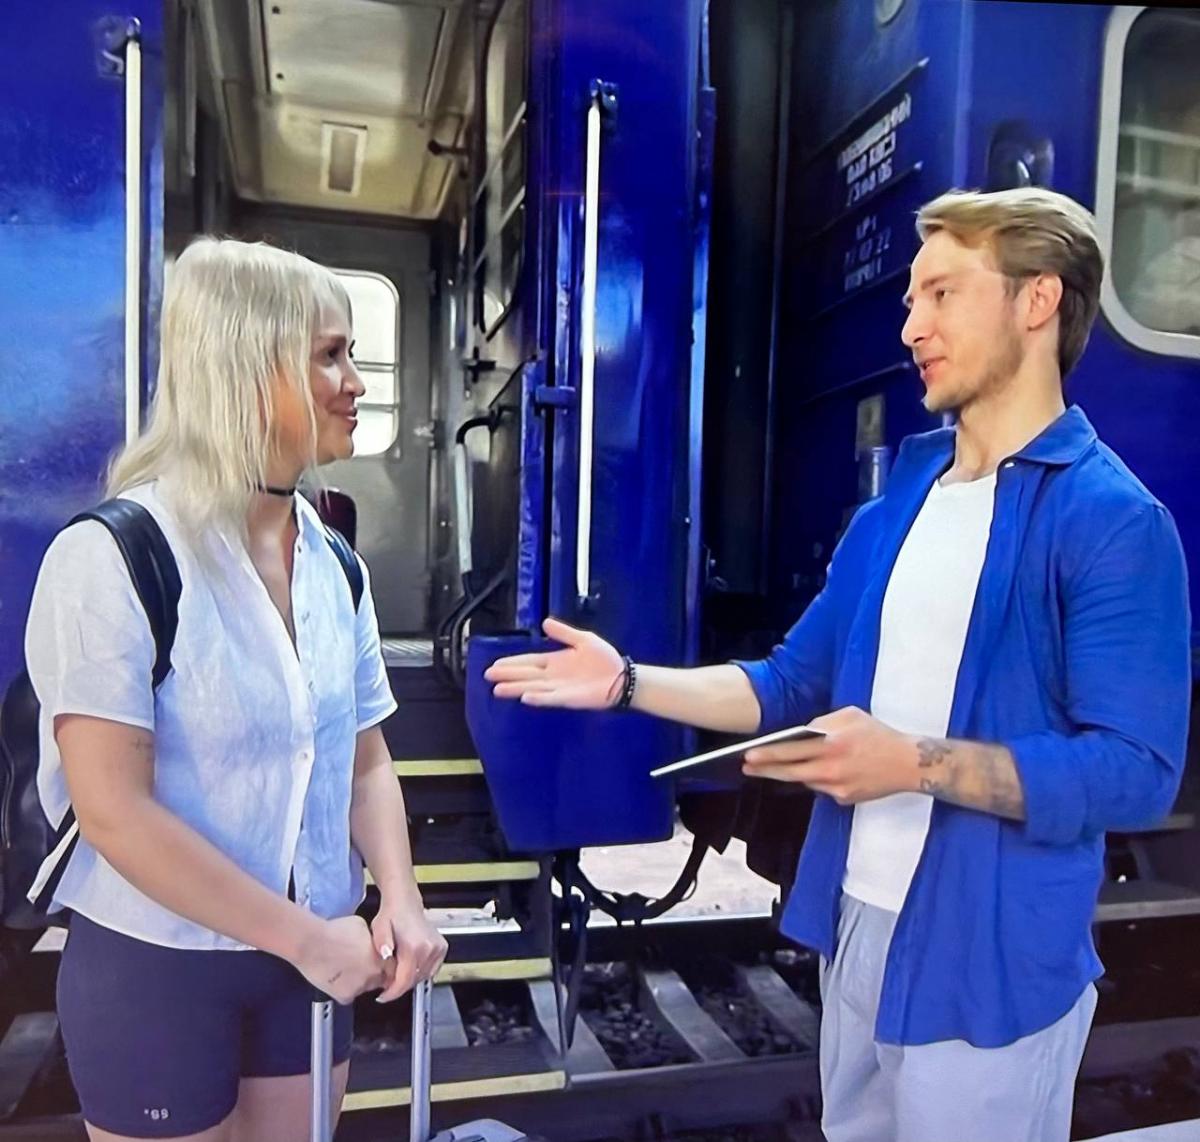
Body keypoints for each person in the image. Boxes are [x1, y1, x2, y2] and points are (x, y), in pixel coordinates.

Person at [485, 188, 1192, 1142]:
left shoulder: (1112, 521)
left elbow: (1136, 773)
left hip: (990, 962)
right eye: (911, 300)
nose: (912, 326)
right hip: (860, 925)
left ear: (1037, 301)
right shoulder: (895, 508)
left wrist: (914, 764)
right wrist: (629, 684)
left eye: (942, 294)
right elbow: (789, 684)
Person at [25, 238, 447, 1142]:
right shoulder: (112, 556)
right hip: (161, 964)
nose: (355, 383)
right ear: (246, 367)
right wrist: (308, 939)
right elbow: (114, 813)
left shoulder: (335, 563)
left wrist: (401, 897)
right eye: (330, 355)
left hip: (308, 963)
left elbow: (364, 759)